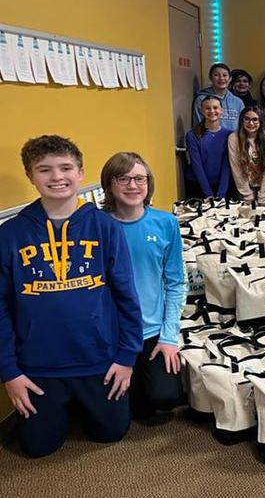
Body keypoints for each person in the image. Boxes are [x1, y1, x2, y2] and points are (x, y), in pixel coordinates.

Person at [0, 135, 143, 458]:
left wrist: (125, 358)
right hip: (38, 366)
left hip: (99, 359)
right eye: (44, 170)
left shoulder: (105, 227)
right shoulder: (10, 234)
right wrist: (9, 372)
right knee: (37, 447)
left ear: (80, 173)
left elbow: (126, 296)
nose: (56, 177)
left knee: (112, 433)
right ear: (30, 176)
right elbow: (1, 307)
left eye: (66, 168)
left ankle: (83, 405)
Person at [100, 152, 186, 420]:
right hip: (112, 333)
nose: (133, 185)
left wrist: (169, 336)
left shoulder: (166, 223)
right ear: (109, 185)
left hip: (152, 331)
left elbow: (175, 283)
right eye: (123, 178)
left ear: (148, 183)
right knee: (115, 412)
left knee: (165, 398)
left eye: (139, 178)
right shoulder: (97, 225)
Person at [184, 95, 233, 199]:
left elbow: (226, 165)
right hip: (198, 186)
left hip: (222, 187)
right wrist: (208, 194)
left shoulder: (229, 135)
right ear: (202, 111)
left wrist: (221, 194)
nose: (212, 111)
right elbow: (196, 165)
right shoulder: (192, 135)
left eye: (215, 107)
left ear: (222, 111)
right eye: (207, 108)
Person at [228, 107, 265, 205]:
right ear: (242, 120)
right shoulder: (234, 138)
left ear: (260, 121)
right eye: (247, 119)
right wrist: (247, 194)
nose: (251, 123)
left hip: (264, 188)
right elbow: (236, 168)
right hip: (243, 188)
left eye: (255, 119)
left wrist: (263, 195)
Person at [192, 63, 244, 131]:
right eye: (216, 75)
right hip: (210, 140)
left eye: (224, 75)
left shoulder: (238, 102)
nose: (221, 78)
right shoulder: (201, 100)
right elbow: (198, 126)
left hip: (233, 140)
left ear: (230, 78)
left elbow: (243, 126)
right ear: (210, 77)